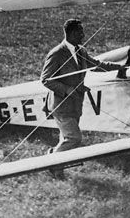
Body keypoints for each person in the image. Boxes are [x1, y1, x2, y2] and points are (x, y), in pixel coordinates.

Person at [41, 19, 124, 179]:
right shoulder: (57, 53)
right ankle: (51, 164)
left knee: (66, 138)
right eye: (80, 32)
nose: (83, 35)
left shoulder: (81, 51)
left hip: (75, 105)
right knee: (74, 138)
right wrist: (67, 90)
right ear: (71, 33)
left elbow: (97, 65)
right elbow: (46, 79)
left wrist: (119, 67)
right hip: (61, 105)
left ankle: (55, 161)